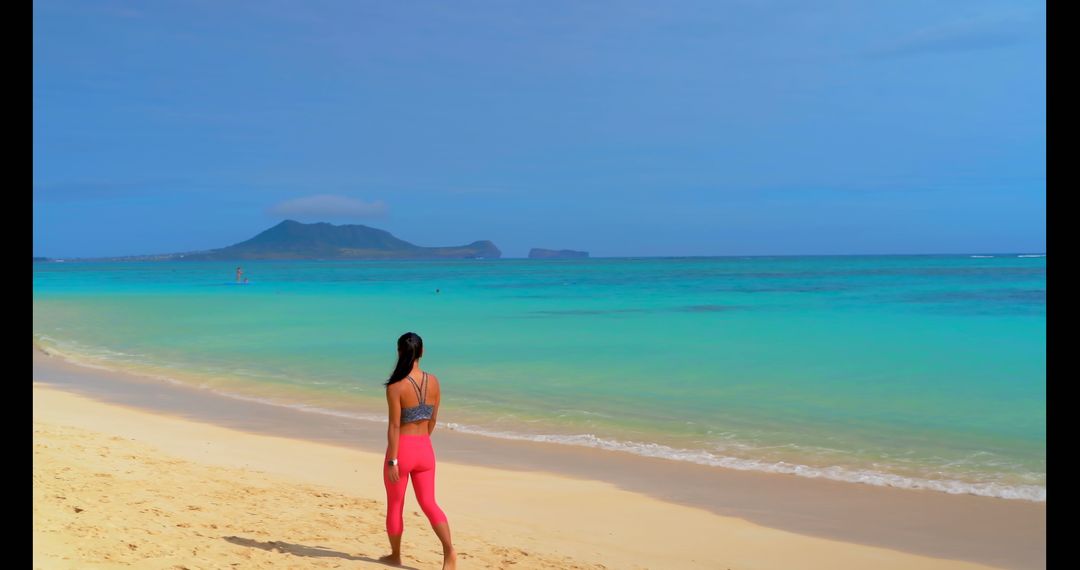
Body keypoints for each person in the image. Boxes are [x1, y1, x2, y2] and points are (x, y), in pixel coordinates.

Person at [380, 332, 455, 569]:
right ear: (422, 353)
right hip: (425, 449)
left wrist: (393, 459)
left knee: (395, 504)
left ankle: (395, 555)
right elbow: (433, 419)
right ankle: (449, 552)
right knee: (429, 503)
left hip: (402, 451)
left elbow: (393, 426)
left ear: (400, 352)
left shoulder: (395, 386)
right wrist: (422, 442)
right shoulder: (434, 381)